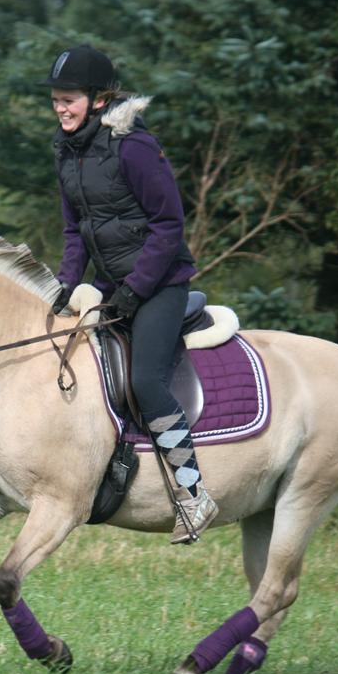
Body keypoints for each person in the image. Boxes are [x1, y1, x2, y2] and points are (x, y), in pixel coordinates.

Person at [43, 44, 217, 545]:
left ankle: (193, 494)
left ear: (98, 100)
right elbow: (75, 231)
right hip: (111, 285)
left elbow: (169, 225)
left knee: (144, 380)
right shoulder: (66, 149)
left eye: (69, 99)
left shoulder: (134, 146)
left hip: (160, 283)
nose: (61, 108)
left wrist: (136, 290)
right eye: (56, 100)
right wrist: (66, 285)